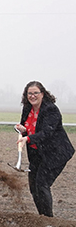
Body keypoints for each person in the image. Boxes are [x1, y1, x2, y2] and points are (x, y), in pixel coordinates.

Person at [15, 81, 74, 217]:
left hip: (55, 153)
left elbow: (47, 132)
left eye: (36, 93)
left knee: (41, 184)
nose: (33, 96)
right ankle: (43, 217)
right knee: (33, 186)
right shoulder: (27, 108)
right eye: (30, 93)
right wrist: (22, 130)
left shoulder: (50, 109)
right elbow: (27, 127)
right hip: (37, 153)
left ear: (42, 94)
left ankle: (48, 220)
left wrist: (28, 139)